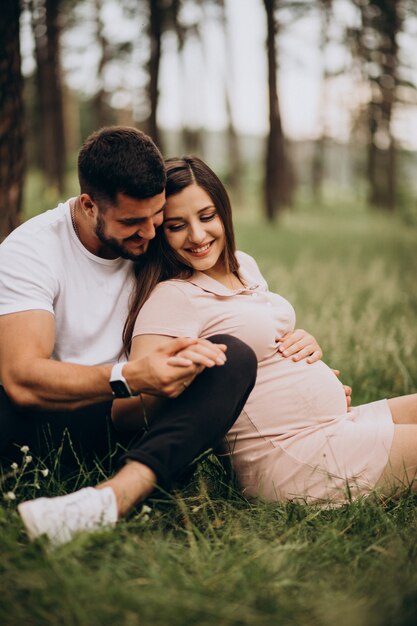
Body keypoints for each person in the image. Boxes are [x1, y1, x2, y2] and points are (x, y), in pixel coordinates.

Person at [0, 127, 317, 545]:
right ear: (89, 204)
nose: (149, 234)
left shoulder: (155, 238)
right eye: (132, 223)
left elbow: (238, 309)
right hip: (54, 418)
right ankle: (132, 482)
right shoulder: (31, 252)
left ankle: (107, 500)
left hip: (138, 417)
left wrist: (303, 371)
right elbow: (22, 380)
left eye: (156, 218)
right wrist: (129, 376)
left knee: (231, 356)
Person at [112, 155, 417, 506]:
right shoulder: (172, 296)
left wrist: (305, 350)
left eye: (207, 217)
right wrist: (188, 376)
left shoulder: (244, 264)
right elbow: (126, 413)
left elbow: (262, 338)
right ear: (160, 231)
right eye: (177, 225)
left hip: (334, 424)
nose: (197, 235)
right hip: (289, 456)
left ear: (224, 213)